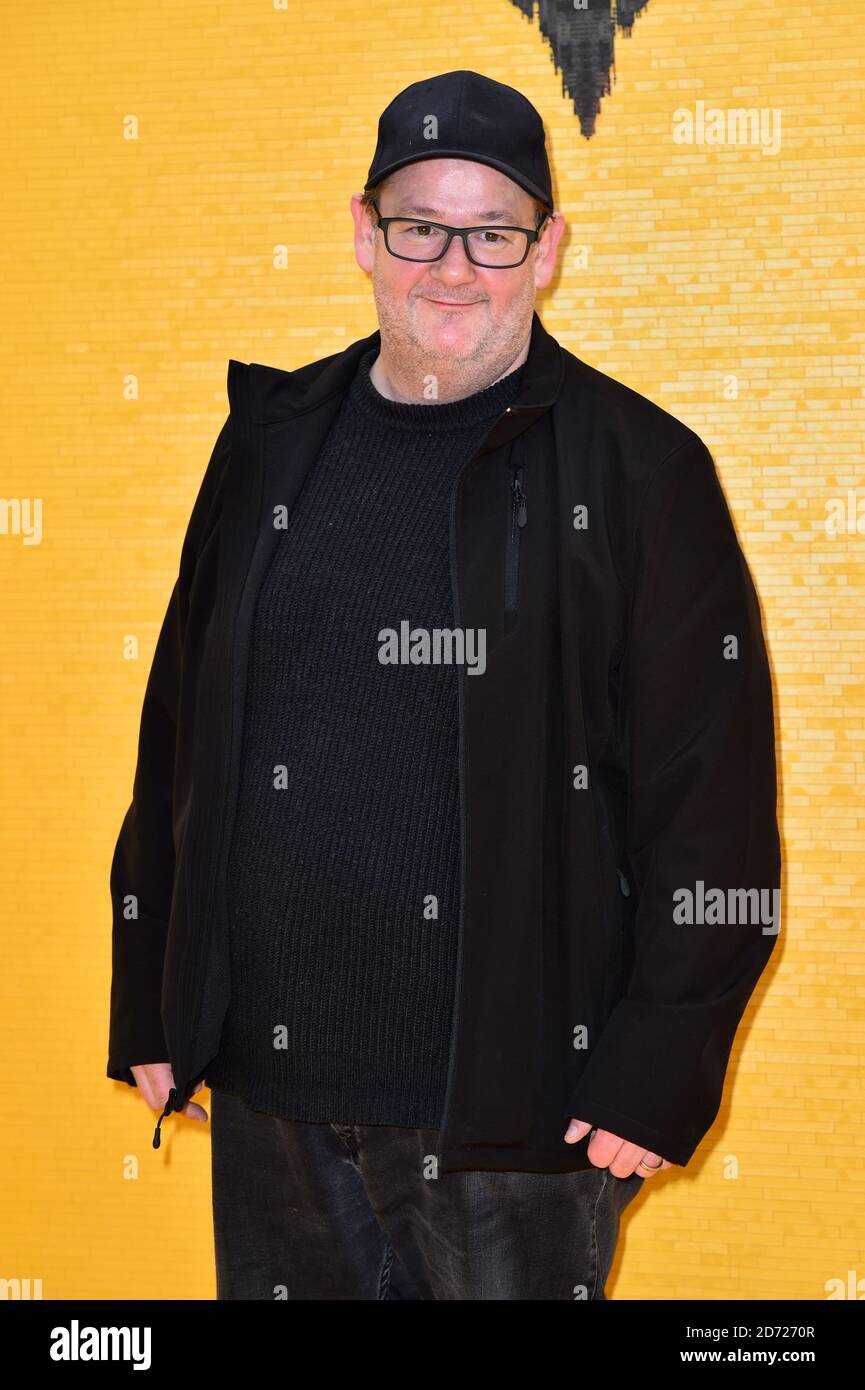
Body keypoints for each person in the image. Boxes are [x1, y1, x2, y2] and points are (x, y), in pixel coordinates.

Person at [107, 70, 781, 1300]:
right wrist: (157, 1001)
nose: (452, 266)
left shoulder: (640, 470)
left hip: (518, 1119)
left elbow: (713, 800)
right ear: (364, 232)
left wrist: (659, 1060)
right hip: (271, 1094)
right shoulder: (269, 439)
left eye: (493, 233)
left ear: (548, 250)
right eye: (420, 226)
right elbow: (179, 734)